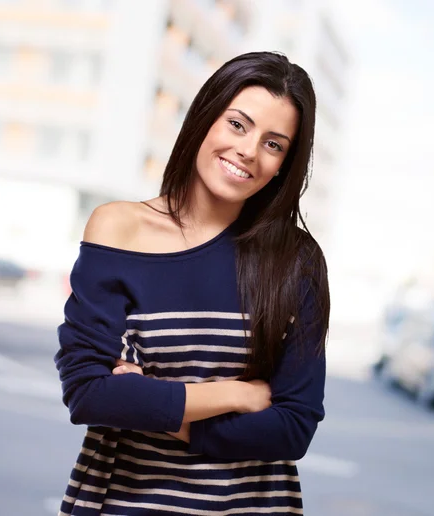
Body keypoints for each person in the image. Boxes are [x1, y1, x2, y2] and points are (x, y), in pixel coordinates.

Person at [53, 51, 330, 515]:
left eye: (274, 144)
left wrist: (165, 415)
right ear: (204, 118)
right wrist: (236, 395)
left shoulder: (296, 260)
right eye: (238, 125)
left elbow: (292, 428)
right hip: (124, 502)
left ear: (285, 163)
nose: (248, 150)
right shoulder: (118, 228)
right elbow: (89, 393)